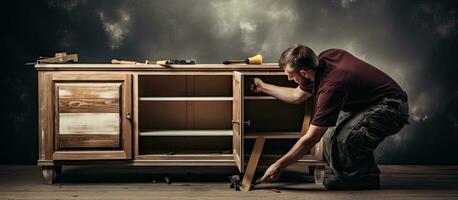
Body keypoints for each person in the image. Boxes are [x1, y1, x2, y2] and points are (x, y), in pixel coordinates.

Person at [251, 44, 409, 190]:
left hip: (391, 107)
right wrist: (263, 87)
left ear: (304, 72)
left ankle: (365, 178)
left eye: (291, 76)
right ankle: (350, 175)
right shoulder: (323, 60)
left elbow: (312, 138)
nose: (290, 79)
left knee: (348, 137)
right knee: (329, 137)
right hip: (366, 104)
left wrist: (279, 165)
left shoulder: (332, 85)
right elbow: (296, 95)